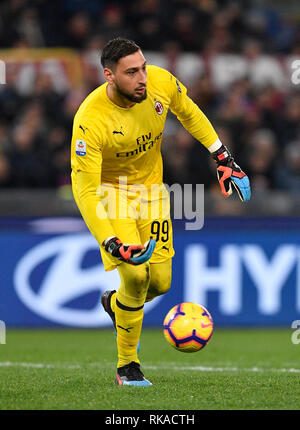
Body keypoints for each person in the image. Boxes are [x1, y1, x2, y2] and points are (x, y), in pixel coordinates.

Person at [70, 37, 250, 386]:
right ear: (109, 75)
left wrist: (222, 156)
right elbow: (87, 190)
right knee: (136, 276)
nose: (143, 78)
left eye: (144, 67)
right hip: (112, 195)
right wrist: (109, 241)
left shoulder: (160, 84)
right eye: (132, 72)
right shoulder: (90, 121)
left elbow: (190, 112)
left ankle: (117, 305)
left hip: (152, 193)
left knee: (161, 283)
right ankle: (128, 367)